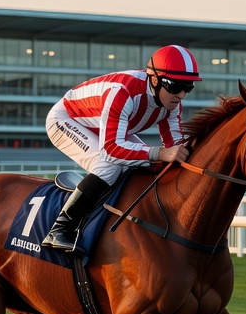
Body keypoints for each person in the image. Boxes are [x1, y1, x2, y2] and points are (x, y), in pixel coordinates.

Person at [40, 45, 199, 252]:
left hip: (103, 125)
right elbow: (111, 150)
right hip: (67, 119)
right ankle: (60, 228)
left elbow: (175, 147)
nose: (181, 95)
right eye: (175, 86)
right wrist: (159, 153)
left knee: (147, 163)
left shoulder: (172, 103)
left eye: (188, 88)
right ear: (154, 80)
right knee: (110, 164)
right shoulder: (123, 92)